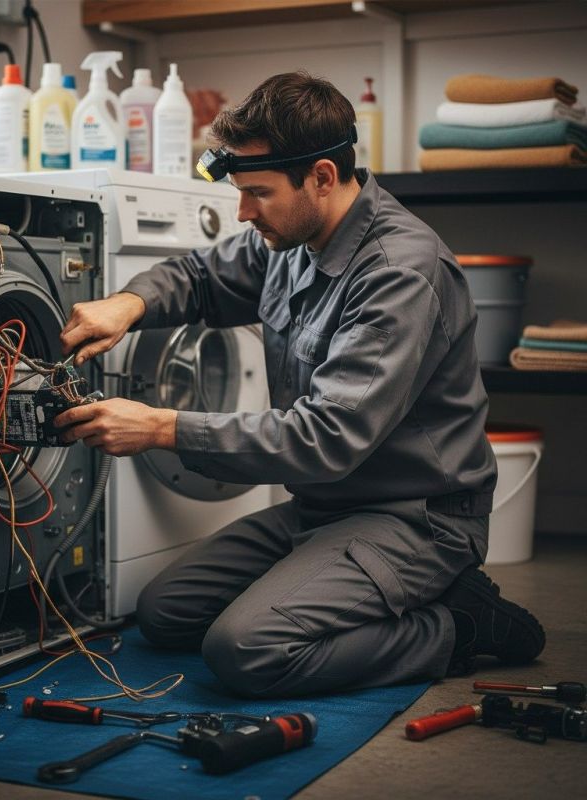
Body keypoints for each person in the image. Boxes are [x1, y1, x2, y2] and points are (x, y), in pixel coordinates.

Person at [53, 71, 545, 697]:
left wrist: (159, 426)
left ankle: (458, 625)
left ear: (321, 176)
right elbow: (203, 277)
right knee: (166, 613)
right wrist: (129, 304)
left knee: (246, 651)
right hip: (324, 506)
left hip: (415, 517)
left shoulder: (399, 273)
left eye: (257, 193)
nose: (242, 211)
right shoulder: (293, 238)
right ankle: (338, 585)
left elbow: (327, 437)